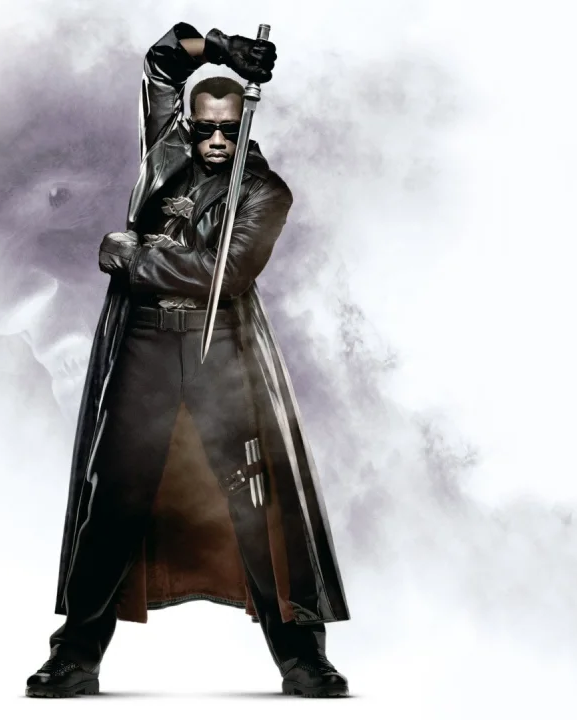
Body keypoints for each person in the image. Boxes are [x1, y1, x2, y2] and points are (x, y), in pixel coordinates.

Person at [25, 22, 352, 698]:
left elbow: (223, 276)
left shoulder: (265, 192)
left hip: (220, 347)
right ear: (190, 125)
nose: (216, 140)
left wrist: (134, 254)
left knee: (254, 497)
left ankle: (302, 656)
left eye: (229, 129)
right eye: (206, 127)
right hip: (145, 342)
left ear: (244, 129)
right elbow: (163, 60)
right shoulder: (164, 152)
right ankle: (76, 653)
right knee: (113, 496)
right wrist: (225, 50)